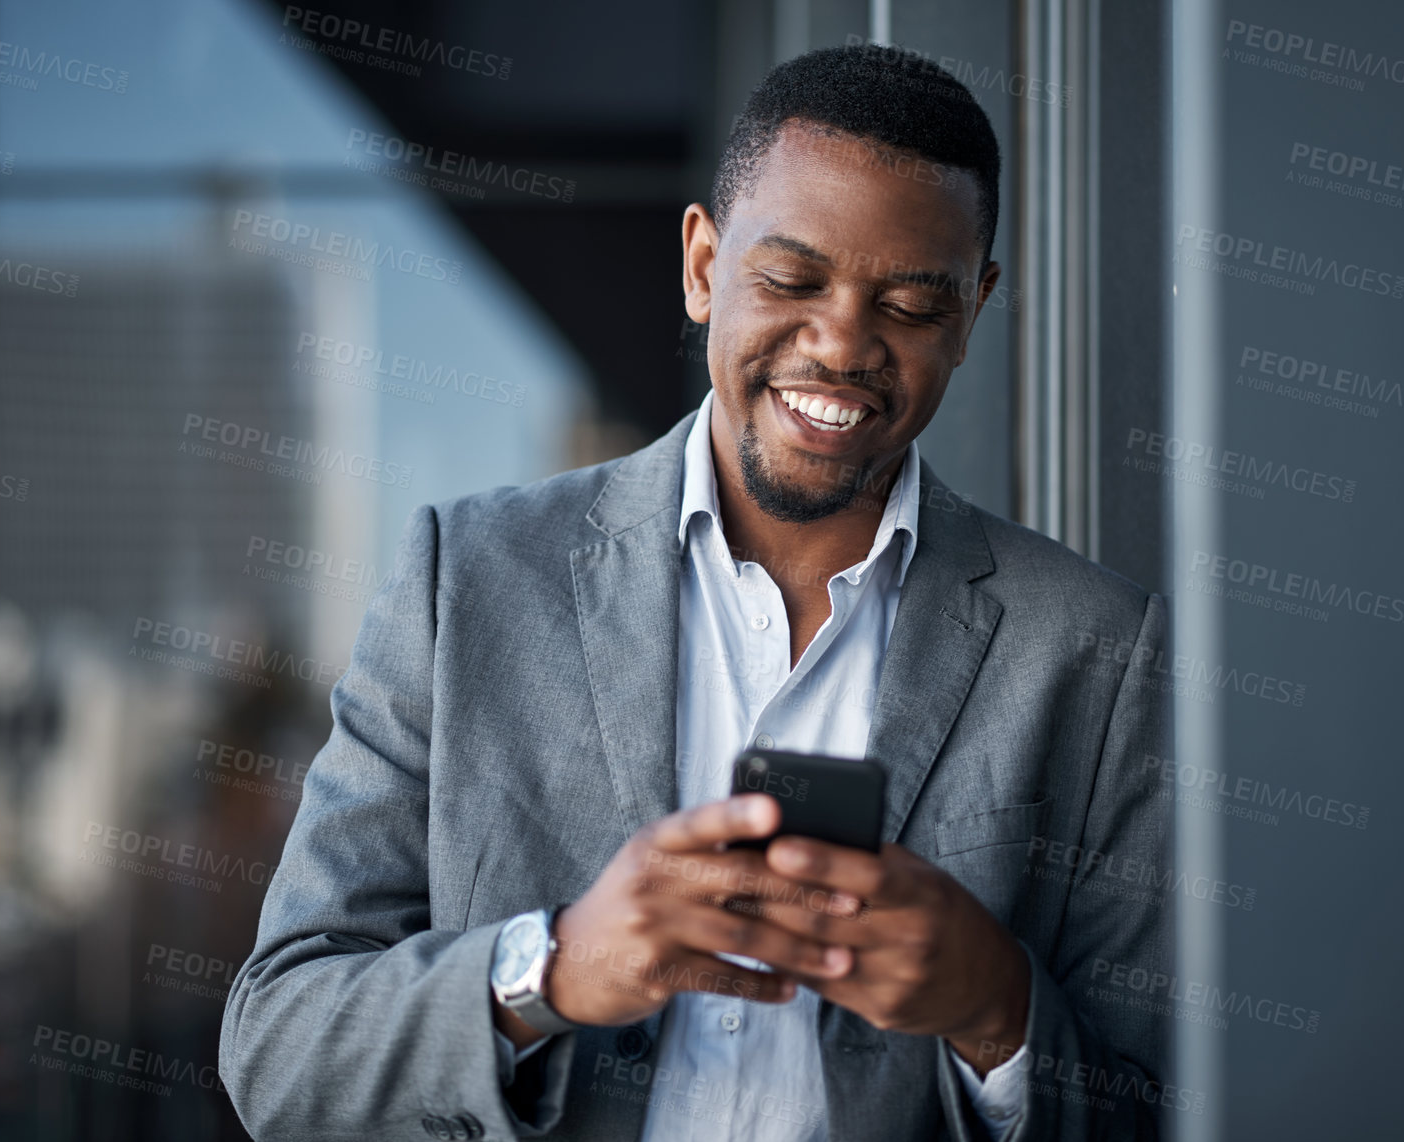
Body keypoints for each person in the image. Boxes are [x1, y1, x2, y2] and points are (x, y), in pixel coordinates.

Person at [219, 44, 1171, 1142]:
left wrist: (995, 1007)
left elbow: (1164, 1107)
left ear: (970, 311)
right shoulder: (468, 582)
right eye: (791, 281)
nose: (840, 344)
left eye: (909, 304)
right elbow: (281, 1050)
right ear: (702, 265)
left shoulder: (1094, 646)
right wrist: (554, 968)